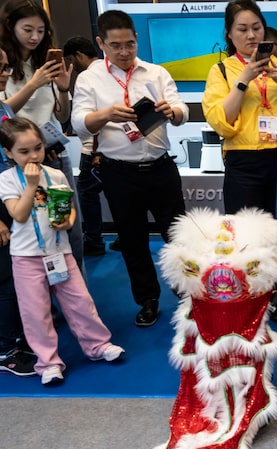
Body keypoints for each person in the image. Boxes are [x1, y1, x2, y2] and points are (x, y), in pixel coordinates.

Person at [71, 9, 188, 328]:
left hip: (161, 168)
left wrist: (172, 112)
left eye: (129, 44)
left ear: (137, 39)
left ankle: (188, 295)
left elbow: (181, 110)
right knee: (133, 240)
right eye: (115, 45)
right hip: (118, 172)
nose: (124, 52)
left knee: (178, 236)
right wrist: (106, 114)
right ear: (101, 43)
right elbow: (79, 123)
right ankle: (147, 300)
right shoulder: (89, 79)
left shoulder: (156, 72)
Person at [202, 0, 277, 328]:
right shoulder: (220, 71)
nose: (251, 35)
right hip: (244, 162)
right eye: (242, 29)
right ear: (229, 34)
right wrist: (245, 78)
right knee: (247, 236)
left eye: (256, 28)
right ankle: (251, 302)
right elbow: (222, 121)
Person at [0, 117, 124, 385]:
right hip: (26, 257)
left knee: (80, 302)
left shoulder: (55, 174)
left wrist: (69, 220)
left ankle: (98, 345)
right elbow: (19, 216)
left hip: (60, 252)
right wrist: (31, 185)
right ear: (8, 153)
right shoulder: (7, 180)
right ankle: (48, 362)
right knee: (36, 312)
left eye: (37, 148)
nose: (33, 155)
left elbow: (67, 207)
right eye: (23, 151)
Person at [0, 0, 83, 273]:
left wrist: (61, 89)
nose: (35, 37)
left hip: (53, 154)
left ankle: (74, 293)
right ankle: (39, 302)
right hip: (16, 161)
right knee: (30, 230)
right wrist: (34, 83)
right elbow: (4, 114)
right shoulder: (4, 65)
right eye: (27, 29)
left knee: (69, 228)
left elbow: (61, 118)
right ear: (10, 27)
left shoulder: (44, 61)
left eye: (40, 30)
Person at [0, 47, 35, 378]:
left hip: (10, 190)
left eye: (6, 67)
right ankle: (5, 349)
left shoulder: (2, 107)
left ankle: (18, 338)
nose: (4, 73)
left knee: (14, 274)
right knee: (4, 280)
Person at [63, 35, 104, 257]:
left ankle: (94, 241)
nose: (71, 66)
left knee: (87, 195)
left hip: (93, 149)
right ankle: (125, 238)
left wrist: (95, 150)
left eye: (71, 60)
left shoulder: (86, 77)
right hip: (111, 149)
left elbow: (87, 118)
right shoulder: (109, 72)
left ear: (78, 55)